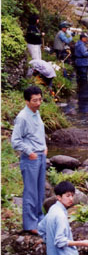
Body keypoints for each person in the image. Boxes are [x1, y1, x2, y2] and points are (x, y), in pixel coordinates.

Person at [11, 86, 47, 234]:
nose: (38, 103)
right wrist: (29, 152)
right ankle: (30, 225)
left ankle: (39, 220)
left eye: (39, 99)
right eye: (34, 100)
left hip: (41, 155)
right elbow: (15, 141)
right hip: (30, 157)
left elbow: (38, 133)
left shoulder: (36, 113)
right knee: (31, 192)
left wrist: (44, 147)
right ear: (27, 101)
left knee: (40, 190)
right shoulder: (22, 117)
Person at [38, 181, 88, 255]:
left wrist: (49, 242)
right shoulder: (60, 216)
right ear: (59, 197)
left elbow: (41, 228)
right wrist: (82, 243)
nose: (71, 199)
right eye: (67, 196)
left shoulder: (53, 209)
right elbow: (60, 241)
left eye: (72, 195)